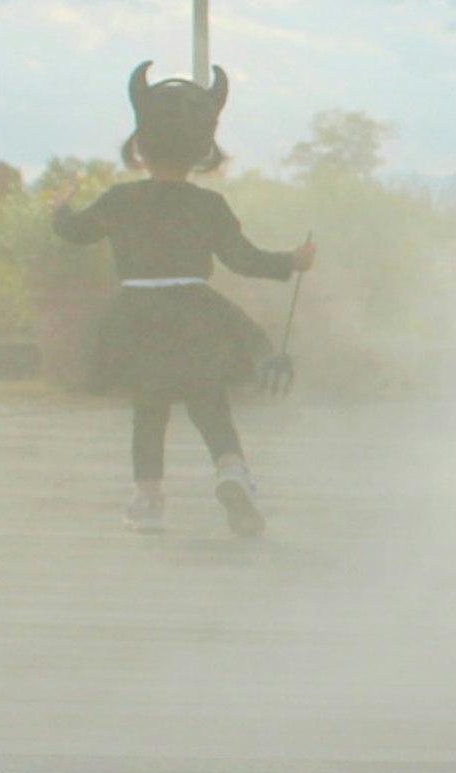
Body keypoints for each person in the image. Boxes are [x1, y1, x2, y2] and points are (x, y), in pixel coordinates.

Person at [52, 64, 315, 537]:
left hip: (137, 314)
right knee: (209, 401)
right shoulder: (207, 207)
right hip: (198, 314)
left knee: (149, 408)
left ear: (139, 147)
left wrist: (60, 210)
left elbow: (76, 233)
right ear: (202, 151)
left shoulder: (120, 200)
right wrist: (291, 261)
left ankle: (149, 499)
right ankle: (232, 471)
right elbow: (243, 259)